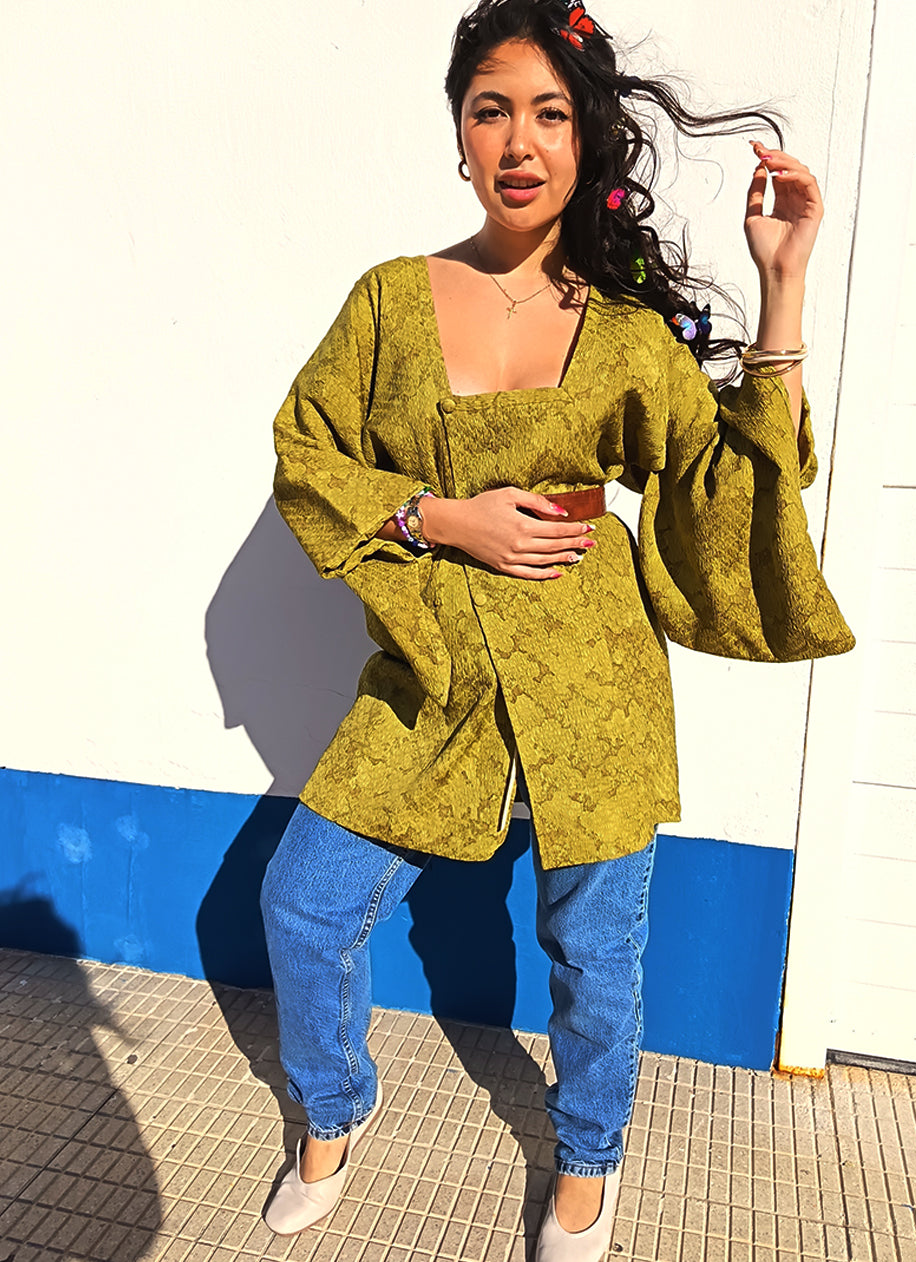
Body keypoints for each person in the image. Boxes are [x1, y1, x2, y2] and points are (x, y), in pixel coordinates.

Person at [259, 0, 854, 1257]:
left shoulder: (631, 334)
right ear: (458, 135)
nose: (518, 140)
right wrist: (439, 519)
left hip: (592, 665)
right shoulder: (390, 301)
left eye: (547, 112)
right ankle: (331, 1109)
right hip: (436, 661)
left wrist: (781, 288)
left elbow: (732, 483)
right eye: (490, 110)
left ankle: (586, 1160)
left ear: (586, 139)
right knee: (305, 901)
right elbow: (304, 453)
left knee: (595, 947)